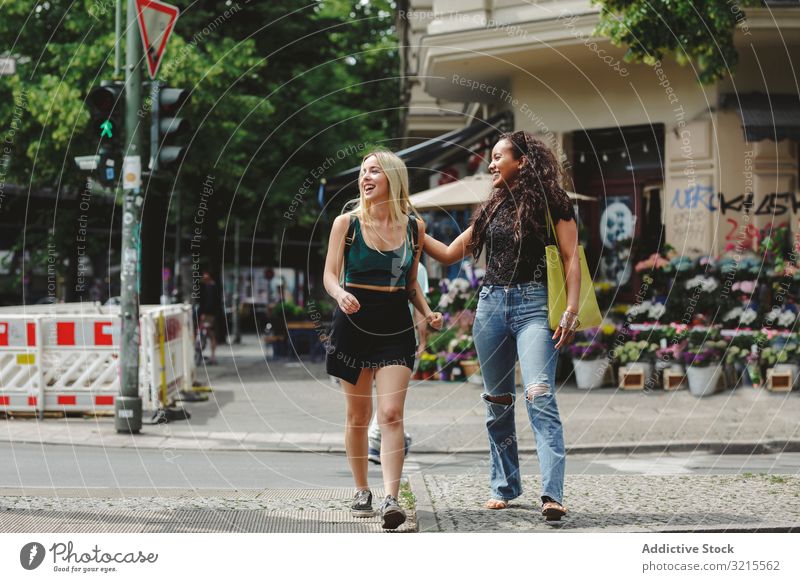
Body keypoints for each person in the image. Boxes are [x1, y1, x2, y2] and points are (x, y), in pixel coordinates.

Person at [423, 131, 580, 521]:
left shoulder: (553, 203)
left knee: (539, 395)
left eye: (498, 157)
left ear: (522, 161)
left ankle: (552, 494)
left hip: (535, 306)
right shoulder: (491, 206)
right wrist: (412, 230)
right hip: (491, 306)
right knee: (497, 403)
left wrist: (572, 310)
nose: (491, 164)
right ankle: (505, 485)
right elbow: (447, 254)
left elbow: (571, 257)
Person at [323, 150, 443, 529]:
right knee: (358, 416)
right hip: (353, 322)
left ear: (393, 177)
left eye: (374, 170)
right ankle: (362, 489)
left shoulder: (414, 229)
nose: (365, 177)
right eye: (362, 172)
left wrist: (427, 312)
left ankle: (392, 497)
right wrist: (340, 295)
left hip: (394, 325)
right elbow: (329, 275)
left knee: (391, 414)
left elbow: (410, 285)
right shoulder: (347, 224)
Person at [367, 261, 429, 464]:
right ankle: (385, 439)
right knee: (388, 397)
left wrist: (422, 340)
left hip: (385, 335)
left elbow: (418, 306)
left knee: (386, 396)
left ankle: (380, 440)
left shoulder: (386, 261)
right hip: (395, 336)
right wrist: (423, 342)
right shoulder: (417, 269)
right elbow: (418, 307)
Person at [197, 271, 223, 365]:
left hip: (208, 314)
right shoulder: (209, 286)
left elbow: (208, 302)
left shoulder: (209, 287)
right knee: (210, 334)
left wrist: (203, 313)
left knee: (210, 334)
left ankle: (210, 355)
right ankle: (211, 355)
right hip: (210, 314)